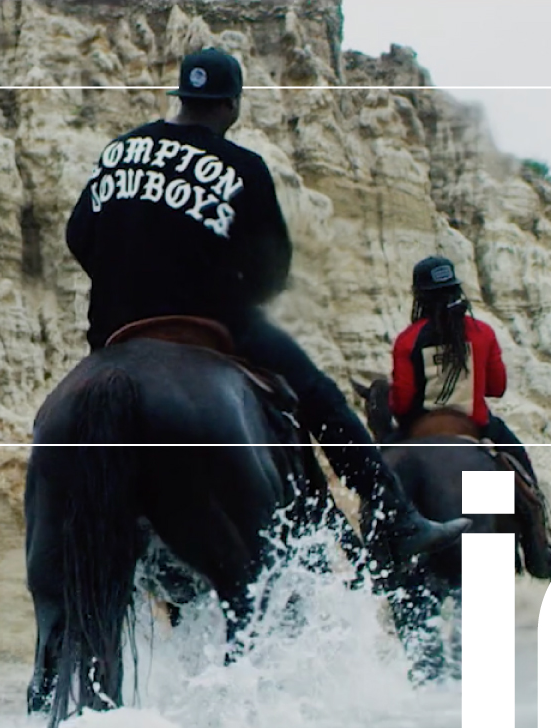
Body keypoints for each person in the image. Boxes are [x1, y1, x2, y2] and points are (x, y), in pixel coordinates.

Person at [64, 47, 468, 560]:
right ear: (231, 104)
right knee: (319, 395)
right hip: (211, 325)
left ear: (181, 96)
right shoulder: (243, 167)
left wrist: (128, 282)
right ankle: (398, 516)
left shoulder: (119, 150)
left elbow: (78, 236)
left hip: (115, 332)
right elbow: (270, 272)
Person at [388, 256, 537, 487]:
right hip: (476, 426)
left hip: (418, 430)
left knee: (380, 476)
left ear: (419, 296)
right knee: (520, 467)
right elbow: (497, 388)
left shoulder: (407, 340)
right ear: (456, 290)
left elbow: (402, 403)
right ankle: (537, 502)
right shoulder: (483, 332)